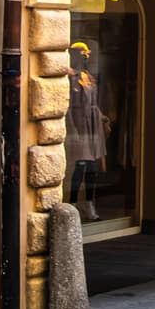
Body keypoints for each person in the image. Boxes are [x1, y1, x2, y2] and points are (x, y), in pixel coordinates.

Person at [65, 41, 108, 221]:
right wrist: (72, 130)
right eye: (82, 55)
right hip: (78, 126)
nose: (85, 58)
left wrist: (102, 116)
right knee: (80, 166)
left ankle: (88, 203)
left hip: (92, 126)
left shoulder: (88, 77)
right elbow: (69, 105)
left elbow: (93, 103)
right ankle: (73, 202)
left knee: (91, 167)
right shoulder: (69, 76)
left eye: (86, 55)